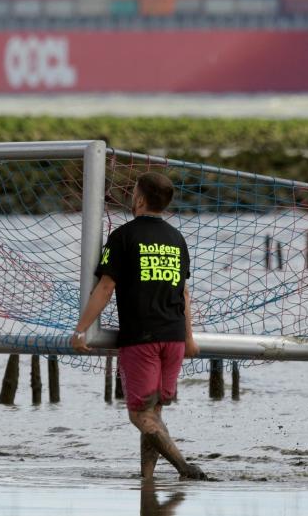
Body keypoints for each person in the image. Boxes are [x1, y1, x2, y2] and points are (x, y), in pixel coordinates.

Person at [71, 172, 206, 480]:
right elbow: (183, 293)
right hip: (173, 337)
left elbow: (104, 288)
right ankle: (147, 477)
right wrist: (189, 337)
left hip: (141, 338)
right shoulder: (176, 239)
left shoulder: (123, 236)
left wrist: (81, 329)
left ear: (140, 199)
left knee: (139, 413)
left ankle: (184, 467)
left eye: (133, 193)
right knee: (154, 412)